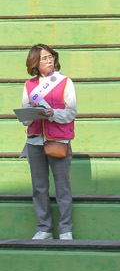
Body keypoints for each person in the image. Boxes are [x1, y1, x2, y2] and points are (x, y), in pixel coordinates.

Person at [20, 43, 74, 240]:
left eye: (50, 57)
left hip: (58, 140)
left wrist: (52, 113)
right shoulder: (29, 85)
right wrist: (30, 113)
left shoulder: (65, 82)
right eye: (44, 58)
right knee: (39, 187)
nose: (49, 60)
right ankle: (44, 228)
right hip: (35, 141)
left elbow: (71, 113)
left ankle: (65, 229)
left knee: (62, 187)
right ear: (35, 62)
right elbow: (25, 119)